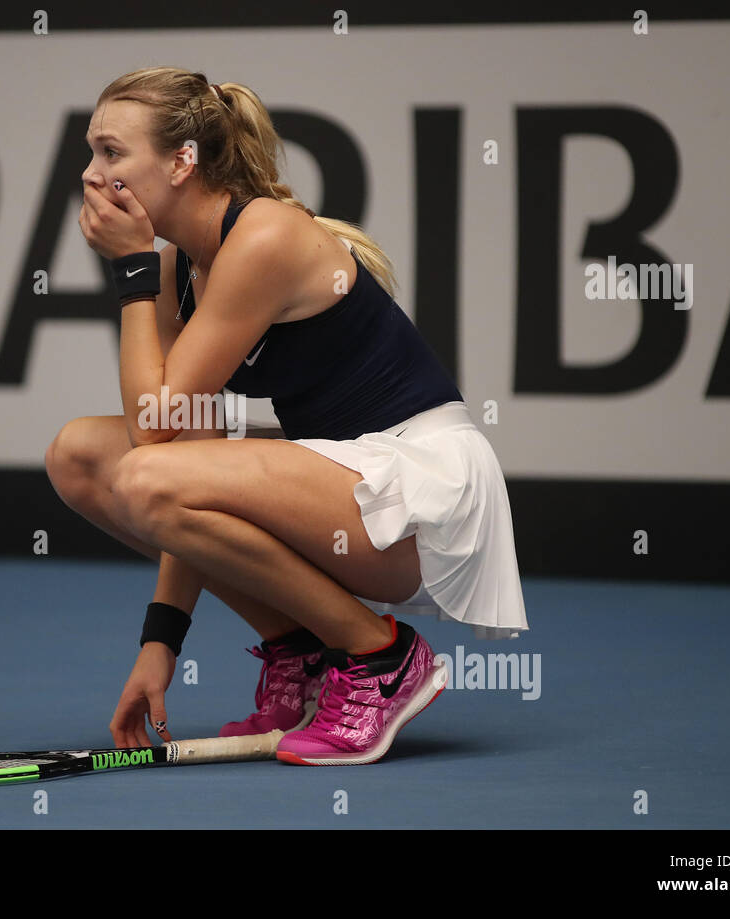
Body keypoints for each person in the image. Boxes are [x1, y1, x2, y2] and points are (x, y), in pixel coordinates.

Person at [47, 67, 528, 765]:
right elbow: (180, 447)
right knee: (83, 457)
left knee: (145, 470)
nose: (92, 175)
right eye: (91, 151)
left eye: (112, 153)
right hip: (342, 494)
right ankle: (299, 652)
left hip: (419, 495)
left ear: (182, 161)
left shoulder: (264, 236)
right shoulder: (184, 260)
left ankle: (382, 657)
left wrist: (130, 273)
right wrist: (161, 642)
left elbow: (154, 433)